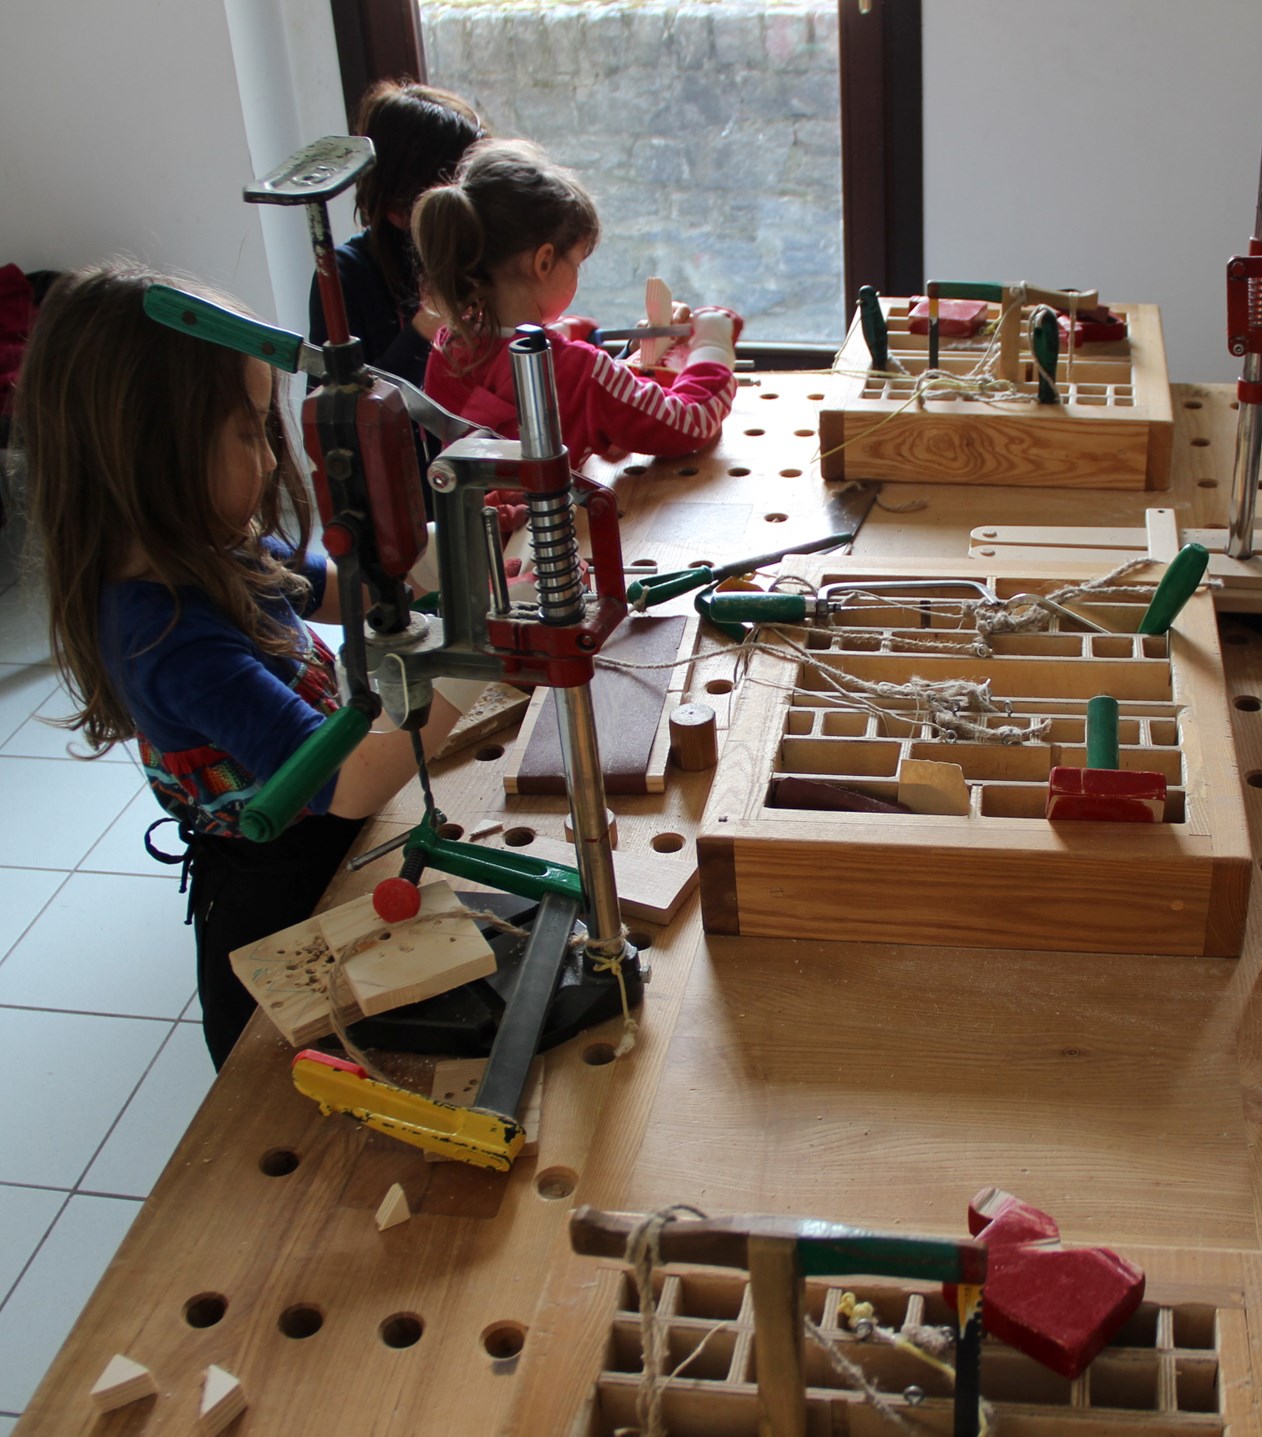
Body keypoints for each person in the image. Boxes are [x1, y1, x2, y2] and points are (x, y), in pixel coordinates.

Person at [13, 263, 476, 1069]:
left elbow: (340, 587)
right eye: (246, 432)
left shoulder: (212, 545)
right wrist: (472, 662)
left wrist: (455, 554)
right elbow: (347, 781)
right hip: (277, 895)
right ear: (149, 449)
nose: (268, 460)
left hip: (335, 849)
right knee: (305, 1081)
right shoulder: (163, 635)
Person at [413, 138, 740, 461]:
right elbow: (689, 423)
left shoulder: (449, 349)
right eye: (577, 262)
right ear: (544, 262)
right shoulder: (578, 371)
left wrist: (624, 353)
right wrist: (713, 345)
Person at [308, 81, 485, 387]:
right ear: (397, 208)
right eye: (456, 193)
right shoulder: (344, 276)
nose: (475, 209)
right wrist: (427, 324)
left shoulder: (484, 253)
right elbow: (336, 409)